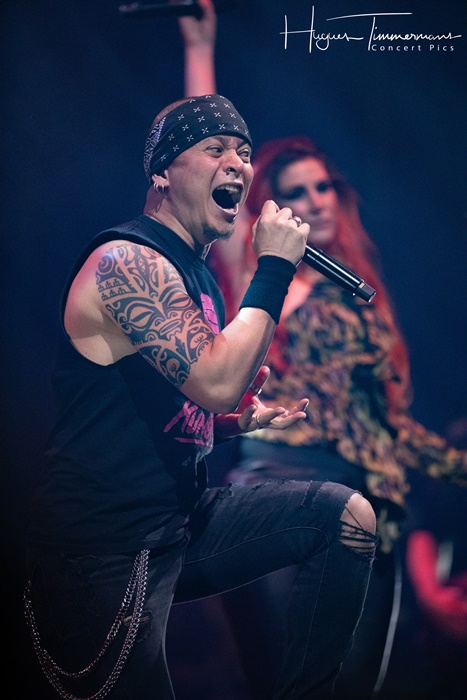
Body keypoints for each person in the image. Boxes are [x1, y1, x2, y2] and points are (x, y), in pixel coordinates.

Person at [23, 90, 379, 700]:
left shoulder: (197, 275)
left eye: (243, 152)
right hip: (102, 552)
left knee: (347, 517)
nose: (238, 163)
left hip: (177, 526)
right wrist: (275, 267)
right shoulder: (126, 261)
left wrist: (232, 424)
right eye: (215, 149)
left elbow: (177, 404)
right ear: (163, 171)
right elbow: (217, 382)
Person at [176, 3, 467, 699]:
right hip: (282, 487)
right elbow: (208, 170)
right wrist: (199, 48)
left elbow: (390, 428)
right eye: (295, 192)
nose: (315, 201)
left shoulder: (364, 297)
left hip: (369, 502)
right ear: (270, 208)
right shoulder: (267, 272)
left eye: (323, 186)